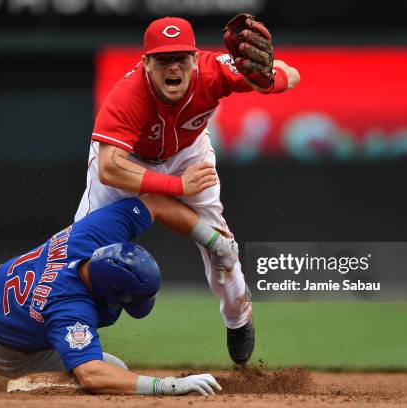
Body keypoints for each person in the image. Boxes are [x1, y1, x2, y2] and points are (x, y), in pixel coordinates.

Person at [74, 16, 300, 364]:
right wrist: (175, 186)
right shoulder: (128, 94)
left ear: (196, 58)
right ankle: (66, 335)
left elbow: (291, 73)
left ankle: (238, 319)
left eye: (181, 57)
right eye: (163, 59)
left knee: (221, 247)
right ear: (146, 63)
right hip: (129, 160)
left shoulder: (215, 72)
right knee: (81, 251)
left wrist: (271, 78)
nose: (173, 66)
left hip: (188, 154)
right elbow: (110, 167)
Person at [0, 194, 233, 395]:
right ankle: (34, 383)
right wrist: (167, 385)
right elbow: (92, 374)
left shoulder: (94, 234)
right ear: (110, 294)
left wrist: (216, 242)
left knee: (98, 365)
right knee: (112, 372)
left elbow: (155, 203)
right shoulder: (70, 307)